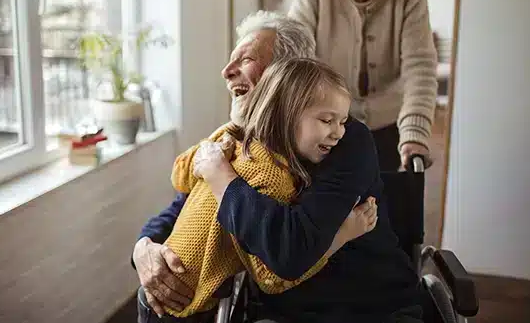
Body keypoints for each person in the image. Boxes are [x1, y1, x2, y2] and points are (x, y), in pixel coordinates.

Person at [133, 11, 423, 322]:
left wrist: (221, 176)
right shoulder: (243, 139)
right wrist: (145, 247)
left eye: (245, 60)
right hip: (280, 312)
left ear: (286, 76)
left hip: (366, 309)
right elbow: (187, 203)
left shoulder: (343, 142)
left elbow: (290, 253)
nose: (226, 71)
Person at [141, 58, 378, 322]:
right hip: (181, 307)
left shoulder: (235, 146)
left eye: (342, 122)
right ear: (286, 114)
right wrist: (343, 234)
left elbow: (180, 177)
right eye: (327, 120)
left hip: (163, 299)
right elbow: (271, 278)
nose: (339, 133)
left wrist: (219, 138)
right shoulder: (269, 176)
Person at [288, 0, 438, 171]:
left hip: (388, 126)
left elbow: (420, 66)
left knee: (382, 206)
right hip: (324, 127)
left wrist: (415, 133)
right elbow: (292, 63)